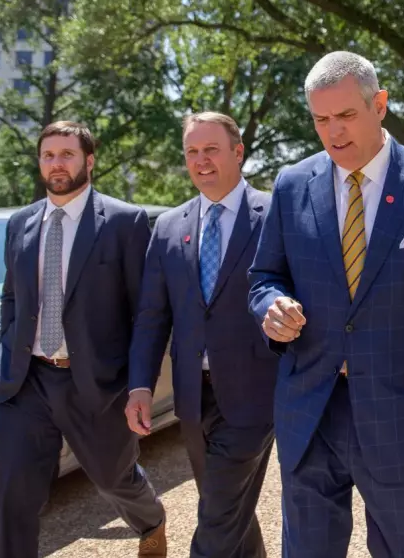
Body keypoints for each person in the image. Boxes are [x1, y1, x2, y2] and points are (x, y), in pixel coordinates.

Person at [248, 51, 404, 558]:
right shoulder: (292, 185)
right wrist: (271, 306)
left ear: (379, 104)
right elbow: (264, 276)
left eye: (345, 115)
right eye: (321, 119)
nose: (333, 131)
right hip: (310, 409)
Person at [0, 121, 167, 558]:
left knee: (113, 478)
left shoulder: (124, 222)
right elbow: (12, 297)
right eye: (48, 155)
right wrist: (7, 354)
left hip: (95, 384)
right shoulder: (20, 223)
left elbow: (146, 313)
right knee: (12, 492)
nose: (57, 164)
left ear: (89, 161)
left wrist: (139, 385)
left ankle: (151, 520)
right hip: (24, 380)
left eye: (67, 155)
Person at [126, 112, 277, 558]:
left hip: (255, 394)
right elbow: (153, 315)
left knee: (216, 516)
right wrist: (140, 385)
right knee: (226, 506)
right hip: (193, 398)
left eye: (211, 149)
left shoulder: (276, 214)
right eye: (192, 151)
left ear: (238, 152)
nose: (201, 160)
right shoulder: (169, 227)